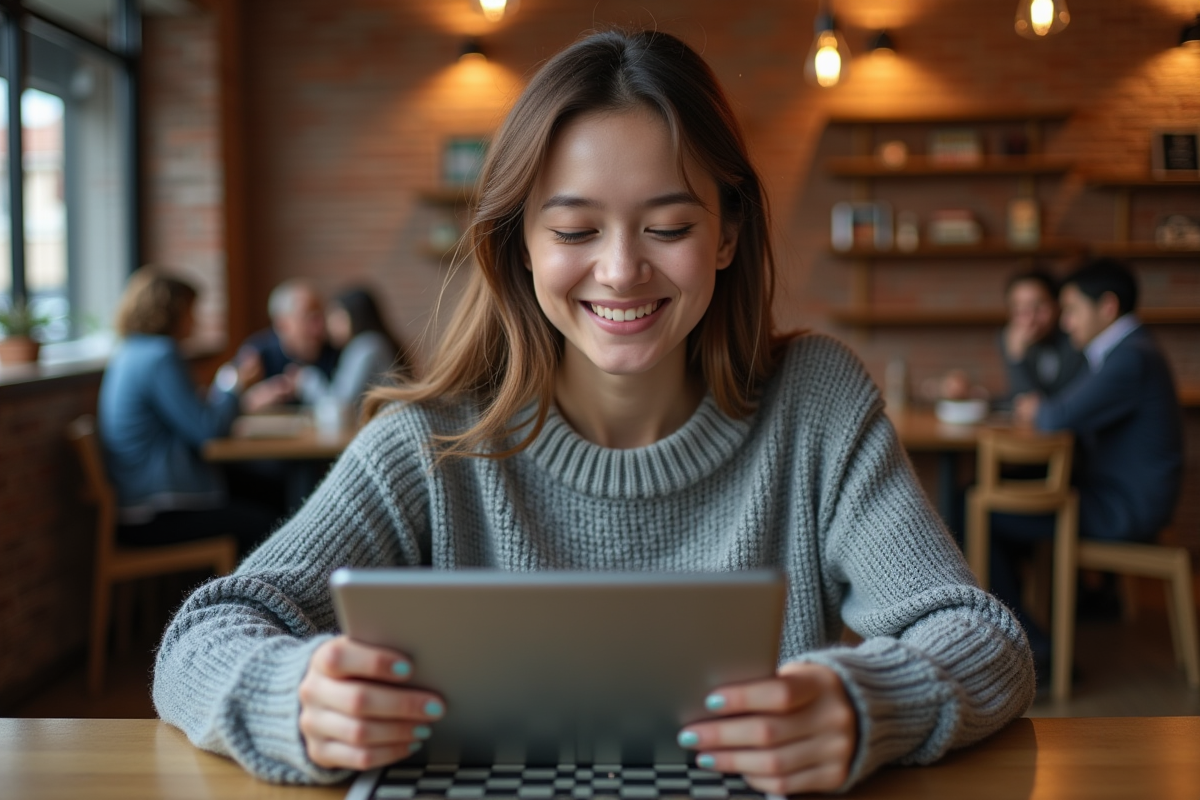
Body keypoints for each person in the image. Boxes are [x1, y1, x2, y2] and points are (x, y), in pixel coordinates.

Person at [153, 30, 1033, 795]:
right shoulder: (430, 444)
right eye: (574, 231)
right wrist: (295, 697)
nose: (620, 271)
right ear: (520, 245)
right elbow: (202, 637)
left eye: (669, 227)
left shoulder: (815, 403)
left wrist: (860, 702)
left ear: (726, 234)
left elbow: (980, 637)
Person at [998, 259, 1184, 657]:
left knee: (982, 509)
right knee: (995, 501)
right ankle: (1033, 631)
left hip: (1125, 507)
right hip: (1118, 493)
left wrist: (1037, 404)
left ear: (1108, 307)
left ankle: (1035, 651)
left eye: (1072, 310)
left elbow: (1056, 415)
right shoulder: (1129, 350)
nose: (1066, 323)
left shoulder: (1130, 356)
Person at [98, 267, 281, 556]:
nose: (196, 320)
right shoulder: (160, 355)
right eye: (192, 311)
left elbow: (192, 419)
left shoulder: (130, 351)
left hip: (139, 504)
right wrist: (233, 384)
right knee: (268, 522)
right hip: (155, 513)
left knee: (267, 488)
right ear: (172, 311)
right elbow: (208, 431)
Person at [295, 287, 413, 410]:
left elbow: (340, 405)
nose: (330, 324)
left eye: (336, 316)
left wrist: (307, 380)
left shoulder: (365, 346)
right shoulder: (374, 342)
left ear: (354, 316)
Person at [237, 278, 341, 393]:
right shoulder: (256, 355)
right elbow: (220, 404)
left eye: (320, 316)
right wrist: (248, 400)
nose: (319, 327)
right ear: (282, 324)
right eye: (308, 318)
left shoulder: (336, 354)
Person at [1001, 269, 1085, 400]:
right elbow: (1020, 400)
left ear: (1057, 305)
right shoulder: (1010, 339)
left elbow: (1063, 404)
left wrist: (1017, 359)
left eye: (1039, 307)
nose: (1029, 320)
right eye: (1020, 309)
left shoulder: (1077, 338)